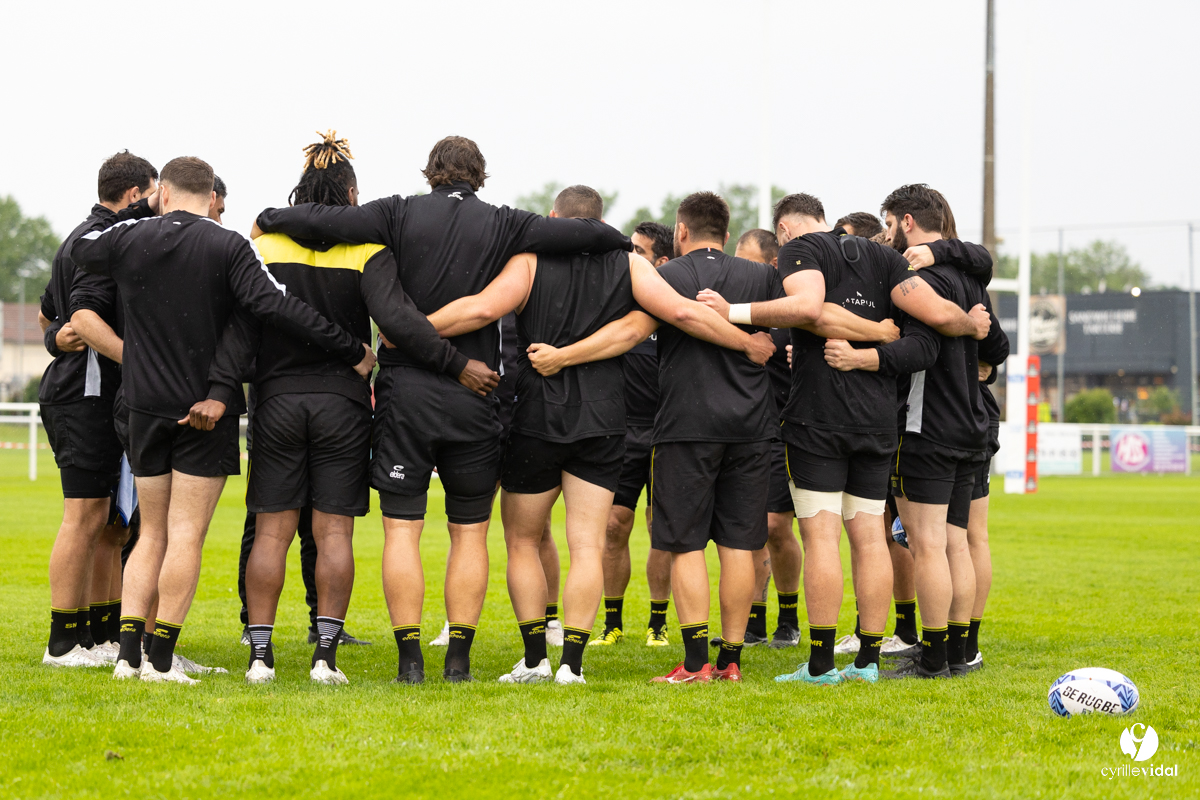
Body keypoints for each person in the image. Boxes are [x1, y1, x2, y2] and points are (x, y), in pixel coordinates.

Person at [254, 136, 630, 683]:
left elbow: (323, 221)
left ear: (431, 172)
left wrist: (269, 215)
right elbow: (582, 231)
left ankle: (410, 661)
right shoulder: (506, 221)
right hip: (474, 393)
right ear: (480, 176)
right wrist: (616, 238)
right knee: (469, 533)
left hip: (406, 390)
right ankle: (458, 660)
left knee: (402, 531)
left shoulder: (396, 212)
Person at [428, 185, 772, 685]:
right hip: (604, 417)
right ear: (600, 219)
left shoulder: (530, 259)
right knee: (587, 544)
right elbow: (674, 315)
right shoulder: (629, 263)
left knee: (523, 539)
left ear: (553, 218)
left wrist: (414, 329)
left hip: (539, 414)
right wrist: (746, 342)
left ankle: (533, 660)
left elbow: (481, 310)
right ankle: (572, 665)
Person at [70, 155, 375, 684]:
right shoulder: (228, 245)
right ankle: (161, 660)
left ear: (163, 191)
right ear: (212, 195)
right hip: (204, 409)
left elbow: (81, 247)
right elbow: (277, 308)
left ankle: (127, 658)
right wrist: (351, 348)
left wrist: (141, 209)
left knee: (151, 535)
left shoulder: (129, 238)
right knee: (184, 535)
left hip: (143, 405)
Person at [231, 132, 492, 685]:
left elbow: (242, 324)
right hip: (343, 405)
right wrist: (454, 363)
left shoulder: (264, 244)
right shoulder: (368, 250)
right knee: (333, 535)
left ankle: (260, 657)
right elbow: (396, 322)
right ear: (350, 193)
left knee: (271, 532)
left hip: (276, 400)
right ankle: (325, 656)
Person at [698, 192, 989, 685]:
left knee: (822, 537)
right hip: (877, 423)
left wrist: (733, 311)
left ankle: (821, 666)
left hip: (819, 419)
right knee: (870, 537)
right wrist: (953, 324)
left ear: (785, 231)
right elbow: (933, 325)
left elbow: (810, 309)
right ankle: (869, 663)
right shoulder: (885, 256)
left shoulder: (801, 250)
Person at [823, 183, 1004, 679]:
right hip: (971, 424)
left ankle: (935, 657)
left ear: (905, 222)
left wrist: (864, 357)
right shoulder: (969, 276)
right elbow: (998, 342)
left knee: (928, 546)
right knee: (957, 543)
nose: (885, 234)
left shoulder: (917, 281)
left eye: (888, 223)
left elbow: (920, 350)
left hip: (929, 427)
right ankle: (961, 653)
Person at [38, 151, 158, 668]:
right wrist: (138, 360)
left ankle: (100, 635)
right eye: (152, 195)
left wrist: (54, 335)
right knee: (84, 515)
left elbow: (49, 313)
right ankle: (62, 644)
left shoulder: (86, 236)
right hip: (81, 396)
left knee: (113, 523)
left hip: (100, 394)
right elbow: (71, 320)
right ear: (135, 195)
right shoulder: (98, 242)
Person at [595, 220, 674, 648]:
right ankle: (612, 623)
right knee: (613, 526)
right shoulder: (618, 303)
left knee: (660, 528)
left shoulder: (679, 308)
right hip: (622, 434)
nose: (630, 258)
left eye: (639, 252)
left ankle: (657, 624)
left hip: (667, 435)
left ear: (661, 261)